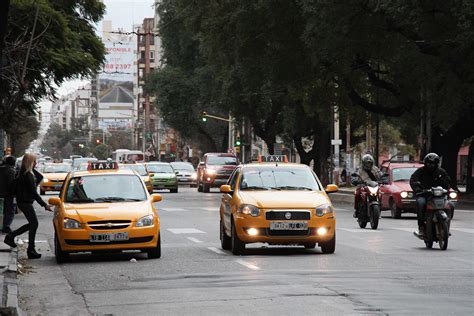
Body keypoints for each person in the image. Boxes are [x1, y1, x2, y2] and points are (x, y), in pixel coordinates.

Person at [4, 153, 52, 259]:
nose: (36, 163)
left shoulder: (23, 173)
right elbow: (34, 193)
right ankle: (30, 249)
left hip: (23, 202)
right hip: (25, 202)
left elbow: (40, 177)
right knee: (34, 223)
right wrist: (44, 205)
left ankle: (13, 238)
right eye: (34, 161)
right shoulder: (28, 175)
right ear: (30, 162)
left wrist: (30, 168)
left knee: (33, 224)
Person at [410, 153, 455, 238]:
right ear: (425, 163)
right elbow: (413, 180)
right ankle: (421, 227)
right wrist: (418, 189)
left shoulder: (441, 171)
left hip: (439, 195)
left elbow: (448, 181)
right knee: (420, 203)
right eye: (429, 163)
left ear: (436, 164)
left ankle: (446, 226)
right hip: (424, 194)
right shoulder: (420, 171)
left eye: (433, 163)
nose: (430, 165)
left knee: (451, 205)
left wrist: (447, 187)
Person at [0, 155, 17, 233]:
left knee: (2, 210)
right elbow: (12, 184)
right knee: (10, 211)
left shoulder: (1, 169)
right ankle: (6, 226)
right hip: (8, 195)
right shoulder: (11, 171)